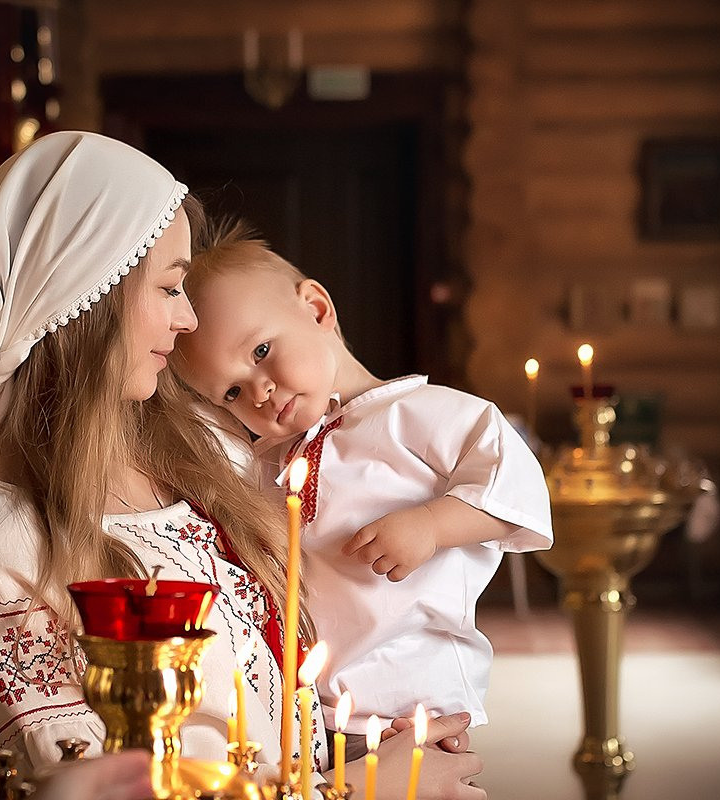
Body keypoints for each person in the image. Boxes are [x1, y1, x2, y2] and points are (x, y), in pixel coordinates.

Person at [0, 131, 483, 799]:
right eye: (171, 287)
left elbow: (266, 702)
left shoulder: (204, 455)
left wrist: (357, 747)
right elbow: (87, 788)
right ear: (86, 295)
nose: (188, 320)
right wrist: (358, 793)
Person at [172, 220, 554, 750]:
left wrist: (432, 524)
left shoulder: (420, 414)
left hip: (413, 699)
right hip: (310, 708)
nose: (258, 391)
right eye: (232, 391)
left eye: (261, 351)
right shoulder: (264, 462)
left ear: (317, 309)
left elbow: (517, 487)